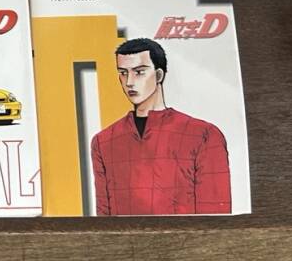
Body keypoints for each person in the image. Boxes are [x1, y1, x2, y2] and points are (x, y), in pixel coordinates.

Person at [90, 38, 231, 215]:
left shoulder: (204, 135)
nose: (129, 82)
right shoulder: (103, 142)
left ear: (159, 75)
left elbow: (216, 215)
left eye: (139, 72)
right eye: (123, 73)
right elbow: (103, 218)